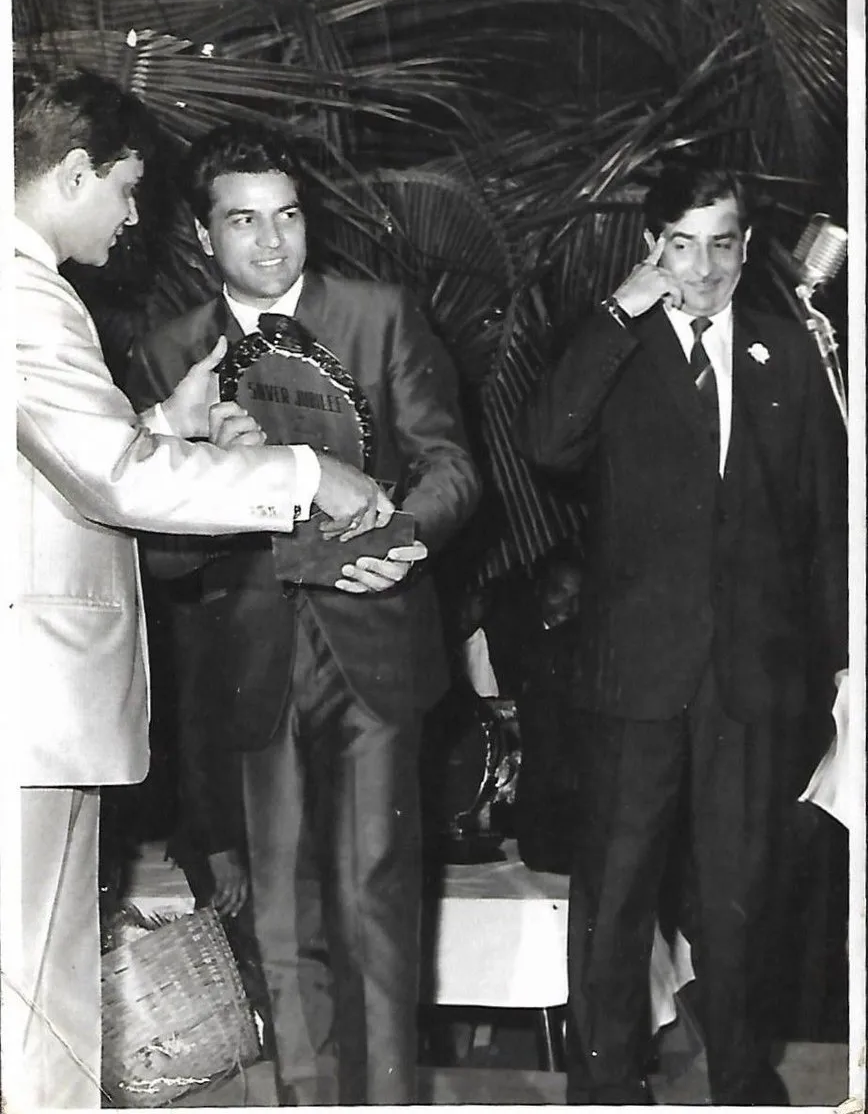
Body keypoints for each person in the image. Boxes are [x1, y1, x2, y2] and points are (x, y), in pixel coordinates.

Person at [7, 72, 396, 1111]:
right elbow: (112, 478)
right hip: (31, 701)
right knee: (37, 990)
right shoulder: (25, 291)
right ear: (75, 174)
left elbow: (67, 454)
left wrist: (161, 422)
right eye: (124, 191)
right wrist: (308, 476)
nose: (132, 217)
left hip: (38, 705)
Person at [124, 120, 480, 1105]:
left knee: (374, 906)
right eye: (244, 222)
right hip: (250, 661)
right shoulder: (165, 357)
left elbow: (450, 464)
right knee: (277, 923)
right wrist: (208, 470)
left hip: (371, 644)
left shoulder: (380, 315)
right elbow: (157, 552)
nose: (272, 243)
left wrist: (403, 540)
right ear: (204, 237)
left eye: (286, 217)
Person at [514, 163, 847, 1105]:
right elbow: (546, 443)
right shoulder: (614, 346)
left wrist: (842, 664)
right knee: (616, 896)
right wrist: (621, 311)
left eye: (724, 244)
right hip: (636, 673)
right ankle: (608, 1087)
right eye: (681, 245)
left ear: (747, 249)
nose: (702, 269)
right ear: (652, 246)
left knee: (744, 897)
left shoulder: (789, 351)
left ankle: (744, 1081)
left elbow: (825, 525)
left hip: (752, 679)